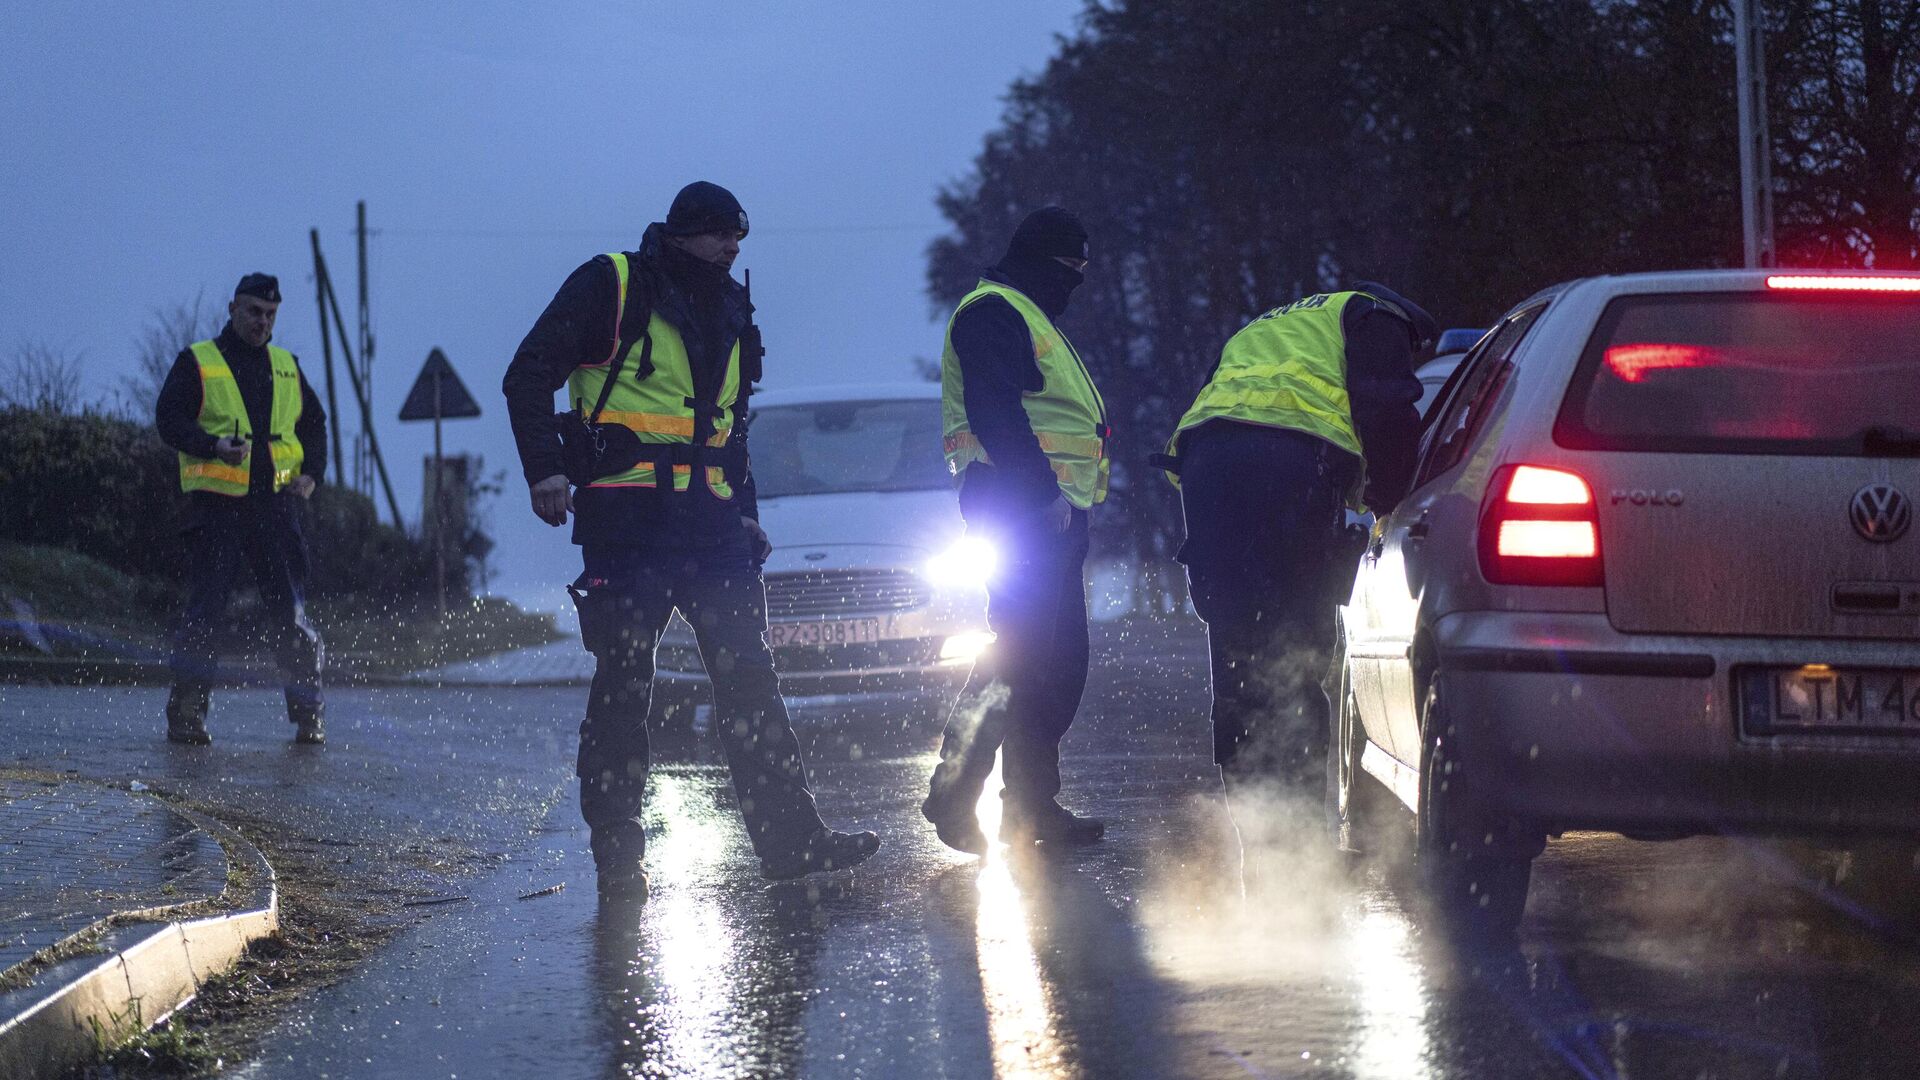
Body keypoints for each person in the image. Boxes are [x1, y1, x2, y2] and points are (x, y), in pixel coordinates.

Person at [502, 181, 879, 901]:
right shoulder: (612, 285)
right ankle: (618, 855)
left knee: (751, 682)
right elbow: (527, 373)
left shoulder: (733, 306)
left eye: (739, 236)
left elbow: (730, 426)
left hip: (711, 529)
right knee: (625, 688)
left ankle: (792, 841)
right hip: (626, 524)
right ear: (679, 233)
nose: (732, 247)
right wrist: (544, 470)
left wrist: (746, 511)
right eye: (718, 235)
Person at [1154, 282, 1432, 837]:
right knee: (1298, 648)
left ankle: (1256, 831)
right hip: (1287, 466)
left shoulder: (1270, 325)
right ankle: (1300, 832)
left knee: (1237, 652)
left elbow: (1214, 393)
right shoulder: (1377, 317)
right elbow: (1388, 412)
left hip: (1206, 468)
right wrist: (1392, 496)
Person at [921, 206, 1111, 854]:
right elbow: (994, 411)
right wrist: (1041, 494)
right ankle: (956, 795)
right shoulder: (994, 312)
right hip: (1022, 505)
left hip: (1048, 508)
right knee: (1021, 659)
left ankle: (1031, 809)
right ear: (1038, 261)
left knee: (1054, 663)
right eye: (1068, 271)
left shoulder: (1028, 314)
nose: (1075, 285)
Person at [154, 273, 329, 746]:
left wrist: (313, 473)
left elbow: (315, 423)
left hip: (276, 509)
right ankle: (188, 714)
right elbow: (167, 418)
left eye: (270, 315)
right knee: (205, 613)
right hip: (217, 509)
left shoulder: (287, 365)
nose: (262, 322)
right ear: (233, 308)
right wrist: (210, 445)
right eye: (254, 312)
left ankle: (309, 713)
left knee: (290, 616)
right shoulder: (198, 361)